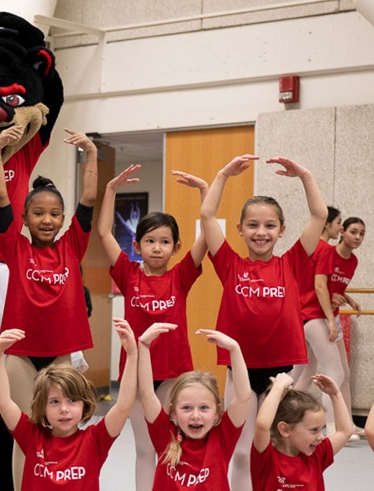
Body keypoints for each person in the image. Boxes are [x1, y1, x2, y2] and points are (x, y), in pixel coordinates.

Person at [199, 154, 327, 491]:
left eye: (270, 225)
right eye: (252, 225)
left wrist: (305, 175)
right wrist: (224, 174)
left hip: (281, 372)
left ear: (282, 230)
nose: (261, 232)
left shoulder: (293, 263)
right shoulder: (229, 264)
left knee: (277, 445)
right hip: (239, 371)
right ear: (240, 229)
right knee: (241, 452)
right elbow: (207, 215)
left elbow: (319, 215)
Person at [0, 127, 97, 487]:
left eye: (54, 214)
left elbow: (89, 201)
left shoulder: (72, 246)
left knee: (60, 429)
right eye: (38, 213)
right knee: (29, 431)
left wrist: (91, 154)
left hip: (60, 353)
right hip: (21, 352)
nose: (46, 220)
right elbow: (1, 200)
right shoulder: (14, 247)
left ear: (63, 219)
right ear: (25, 218)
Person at [98, 164, 209, 489]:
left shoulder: (181, 276)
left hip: (173, 374)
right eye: (150, 241)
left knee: (171, 445)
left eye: (164, 242)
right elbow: (104, 233)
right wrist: (110, 190)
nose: (157, 248)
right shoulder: (127, 275)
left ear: (176, 247)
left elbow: (206, 236)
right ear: (137, 245)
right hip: (135, 373)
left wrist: (204, 191)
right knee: (145, 448)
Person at [0, 318, 138, 490]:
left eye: (72, 400)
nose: (64, 409)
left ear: (84, 404)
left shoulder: (95, 440)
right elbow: (3, 401)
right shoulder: (31, 436)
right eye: (54, 402)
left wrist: (132, 355)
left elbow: (123, 406)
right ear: (42, 407)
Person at [140, 323, 254, 491]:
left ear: (217, 413)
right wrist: (143, 346)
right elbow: (146, 393)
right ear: (173, 412)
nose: (195, 415)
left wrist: (234, 350)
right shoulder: (165, 434)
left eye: (204, 408)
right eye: (186, 408)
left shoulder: (222, 437)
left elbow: (243, 397)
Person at [293, 216, 365, 435]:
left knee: (316, 372)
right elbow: (319, 286)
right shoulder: (325, 250)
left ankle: (346, 424)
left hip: (322, 316)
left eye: (362, 233)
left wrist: (346, 297)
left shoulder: (351, 261)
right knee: (334, 373)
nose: (358, 237)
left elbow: (330, 288)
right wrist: (331, 321)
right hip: (315, 316)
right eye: (353, 231)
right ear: (340, 231)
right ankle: (333, 428)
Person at [250, 373, 355, 491]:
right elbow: (262, 425)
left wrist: (335, 394)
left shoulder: (316, 456)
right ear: (285, 429)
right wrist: (278, 388)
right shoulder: (267, 459)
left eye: (321, 429)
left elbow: (345, 432)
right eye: (314, 430)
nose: (321, 436)